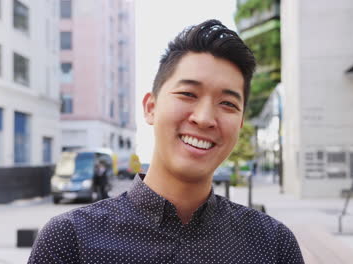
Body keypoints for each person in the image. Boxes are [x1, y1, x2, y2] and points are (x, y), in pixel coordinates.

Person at [28, 19, 304, 264]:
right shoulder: (71, 241)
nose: (205, 118)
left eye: (227, 103)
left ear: (241, 123)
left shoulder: (273, 245)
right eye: (188, 94)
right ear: (151, 107)